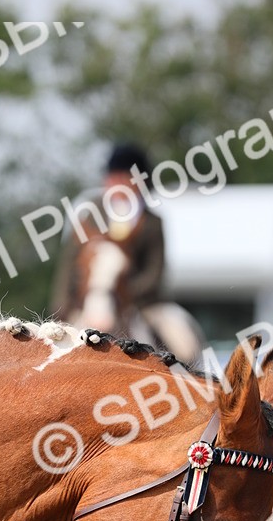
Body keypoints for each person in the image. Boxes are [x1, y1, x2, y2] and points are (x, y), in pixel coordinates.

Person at [50, 142, 202, 362]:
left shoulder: (152, 222)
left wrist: (122, 293)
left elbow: (154, 272)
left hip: (141, 303)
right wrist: (60, 308)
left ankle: (189, 378)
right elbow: (68, 266)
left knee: (183, 342)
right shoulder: (89, 214)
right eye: (113, 178)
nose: (117, 185)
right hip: (88, 300)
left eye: (125, 179)